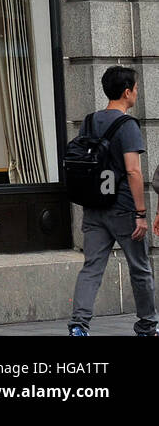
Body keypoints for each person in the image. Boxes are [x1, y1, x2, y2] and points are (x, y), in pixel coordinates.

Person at [69, 65, 155, 336]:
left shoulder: (89, 120)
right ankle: (147, 325)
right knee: (140, 268)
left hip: (94, 206)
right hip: (123, 209)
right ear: (127, 92)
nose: (137, 94)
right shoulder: (127, 125)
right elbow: (133, 170)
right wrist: (140, 213)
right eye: (137, 89)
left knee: (92, 267)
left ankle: (79, 325)